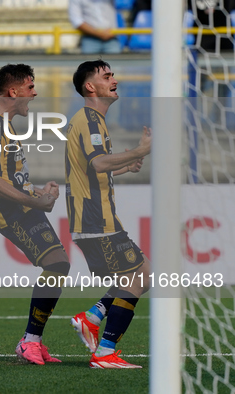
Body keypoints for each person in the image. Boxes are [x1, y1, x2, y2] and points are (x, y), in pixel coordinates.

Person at [0, 64, 70, 365]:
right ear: (13, 91)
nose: (35, 92)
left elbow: (10, 177)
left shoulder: (1, 124)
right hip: (10, 212)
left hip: (22, 206)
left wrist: (37, 190)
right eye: (30, 87)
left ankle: (32, 340)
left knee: (58, 265)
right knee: (57, 264)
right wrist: (37, 203)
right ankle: (30, 341)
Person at [66, 60, 152, 368]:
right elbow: (99, 164)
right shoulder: (89, 120)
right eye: (106, 76)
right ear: (90, 86)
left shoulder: (93, 121)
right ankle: (103, 351)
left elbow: (95, 169)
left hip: (96, 219)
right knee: (141, 275)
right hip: (94, 221)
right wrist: (139, 151)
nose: (114, 79)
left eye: (113, 74)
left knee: (141, 274)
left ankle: (92, 317)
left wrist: (126, 165)